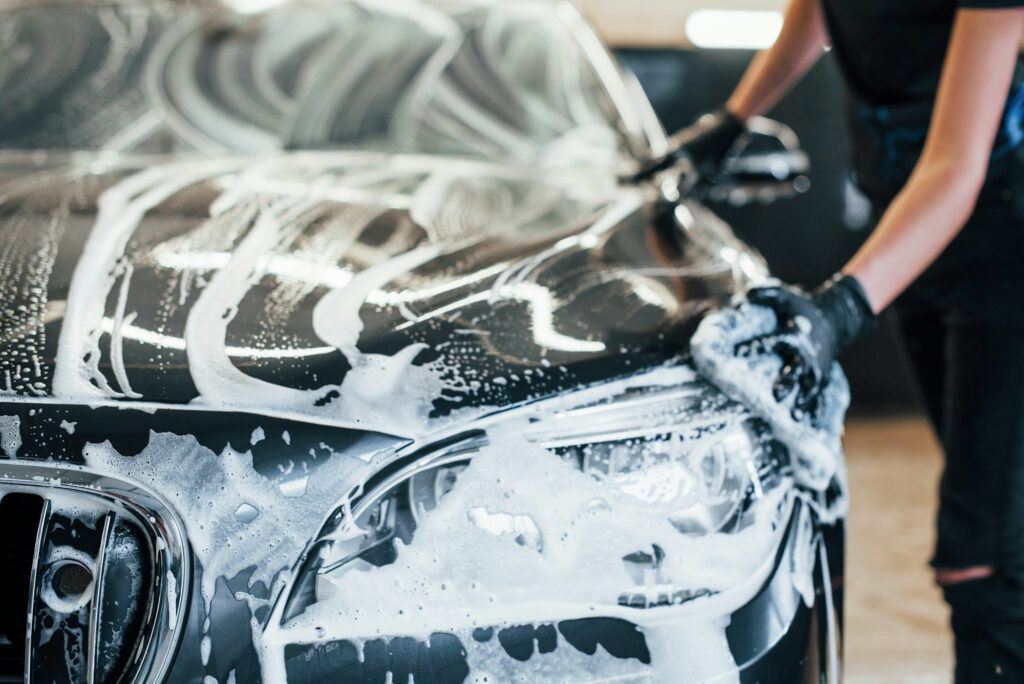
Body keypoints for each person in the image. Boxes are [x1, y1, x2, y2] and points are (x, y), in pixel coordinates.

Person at [673, 1, 1024, 680]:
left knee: (982, 551)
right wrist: (737, 117)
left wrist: (839, 310)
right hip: (913, 231)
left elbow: (956, 163)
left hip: (1005, 240)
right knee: (1000, 508)